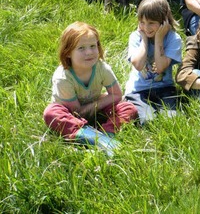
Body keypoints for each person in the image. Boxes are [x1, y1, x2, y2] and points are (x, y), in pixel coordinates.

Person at [43, 22, 137, 156]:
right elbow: (77, 112)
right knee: (51, 113)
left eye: (93, 46)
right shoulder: (63, 77)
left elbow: (116, 95)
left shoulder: (102, 68)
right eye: (81, 48)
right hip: (70, 112)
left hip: (94, 104)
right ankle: (90, 136)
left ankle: (108, 135)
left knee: (128, 108)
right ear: (68, 52)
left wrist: (96, 105)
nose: (89, 52)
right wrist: (96, 106)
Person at [124, 0, 182, 125]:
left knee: (171, 120)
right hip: (139, 90)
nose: (146, 27)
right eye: (142, 22)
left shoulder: (173, 38)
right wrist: (144, 40)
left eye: (151, 23)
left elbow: (160, 67)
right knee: (146, 121)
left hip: (165, 87)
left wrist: (158, 39)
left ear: (164, 21)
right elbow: (138, 65)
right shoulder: (136, 37)